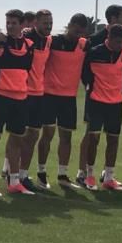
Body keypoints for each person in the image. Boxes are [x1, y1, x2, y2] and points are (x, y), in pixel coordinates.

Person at [78, 4, 122, 186]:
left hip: (115, 101)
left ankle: (108, 176)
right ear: (113, 19)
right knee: (92, 135)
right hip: (96, 98)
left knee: (112, 138)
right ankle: (84, 172)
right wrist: (90, 87)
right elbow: (84, 70)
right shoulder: (93, 43)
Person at [36, 13, 89, 190]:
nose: (77, 35)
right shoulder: (53, 42)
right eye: (75, 30)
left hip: (69, 98)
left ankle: (62, 174)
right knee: (48, 134)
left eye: (81, 32)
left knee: (66, 136)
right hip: (49, 95)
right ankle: (41, 173)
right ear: (69, 25)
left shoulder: (83, 45)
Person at [0, 9, 33, 197]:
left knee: (16, 140)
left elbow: (27, 69)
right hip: (0, 98)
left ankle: (14, 181)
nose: (10, 26)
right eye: (8, 22)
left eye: (14, 23)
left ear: (22, 25)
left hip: (21, 98)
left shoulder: (29, 45)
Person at [18, 9, 53, 190]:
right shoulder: (26, 38)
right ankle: (12, 174)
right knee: (19, 136)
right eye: (45, 23)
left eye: (50, 23)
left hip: (39, 95)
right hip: (23, 93)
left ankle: (23, 174)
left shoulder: (49, 41)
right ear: (36, 23)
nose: (48, 26)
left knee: (32, 135)